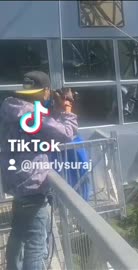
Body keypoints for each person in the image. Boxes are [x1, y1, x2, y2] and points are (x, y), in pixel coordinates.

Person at [0, 71, 78, 270]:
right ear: (44, 90)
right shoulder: (32, 115)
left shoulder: (10, 107)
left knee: (18, 236)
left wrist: (53, 110)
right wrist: (67, 108)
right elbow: (66, 133)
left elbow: (39, 127)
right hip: (32, 187)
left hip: (16, 184)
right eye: (48, 91)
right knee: (35, 248)